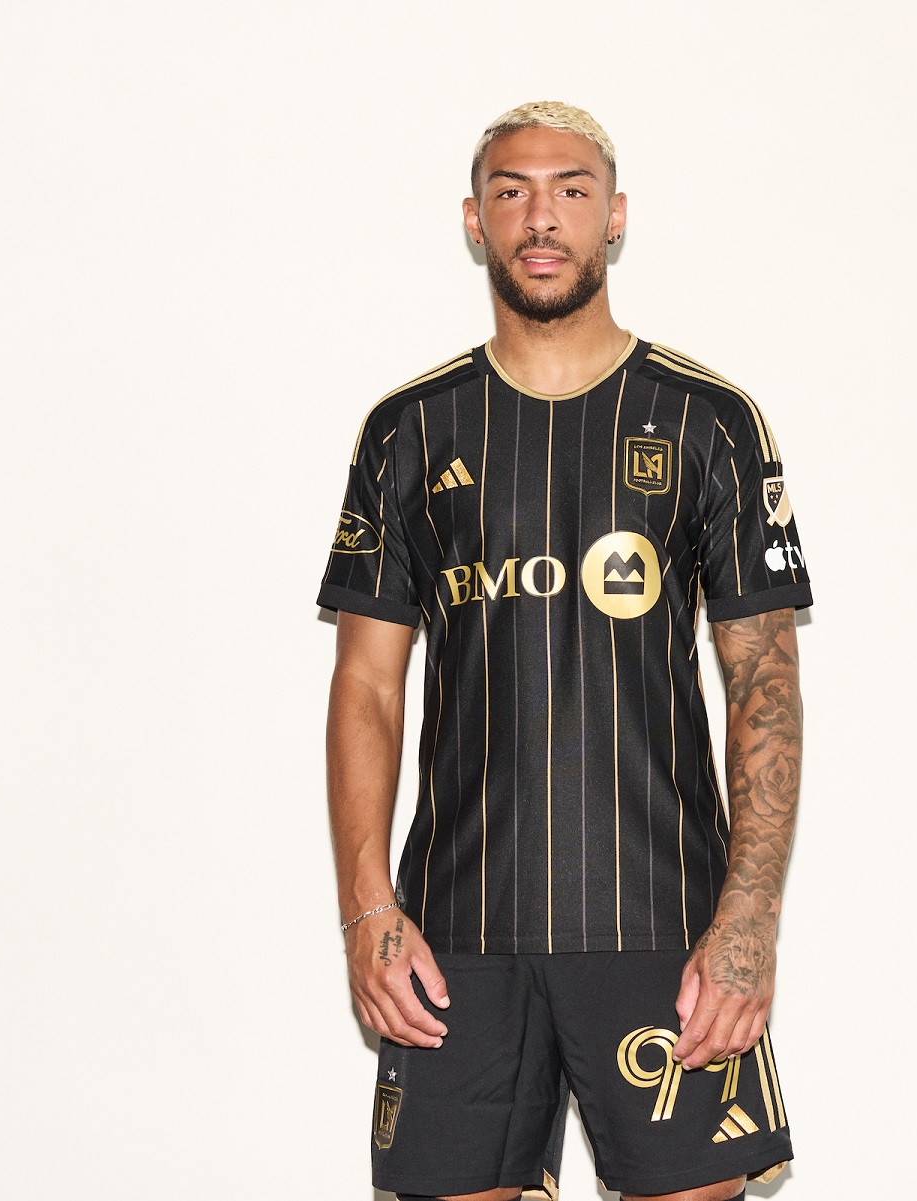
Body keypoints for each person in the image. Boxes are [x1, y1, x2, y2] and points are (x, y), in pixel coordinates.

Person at [318, 101, 810, 1201]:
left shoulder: (710, 421)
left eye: (571, 191)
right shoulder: (409, 430)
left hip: (661, 916)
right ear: (475, 220)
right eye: (512, 192)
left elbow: (764, 687)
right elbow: (367, 687)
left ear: (614, 216)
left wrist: (746, 921)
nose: (541, 218)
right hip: (456, 929)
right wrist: (367, 908)